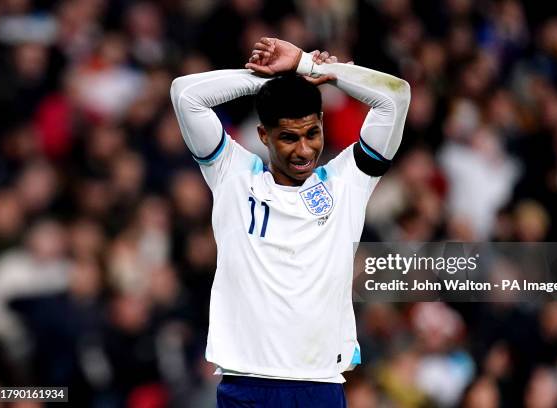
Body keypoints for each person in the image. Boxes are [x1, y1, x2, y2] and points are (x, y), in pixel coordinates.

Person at [170, 37, 410, 407]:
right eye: (288, 138)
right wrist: (270, 80)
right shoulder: (233, 176)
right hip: (246, 384)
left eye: (312, 133)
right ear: (263, 135)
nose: (304, 150)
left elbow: (395, 96)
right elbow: (184, 94)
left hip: (319, 385)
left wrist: (309, 67)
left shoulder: (347, 184)